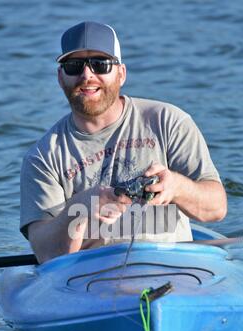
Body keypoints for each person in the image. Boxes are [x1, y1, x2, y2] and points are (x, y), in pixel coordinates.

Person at [20, 21, 227, 263]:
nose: (87, 76)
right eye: (74, 66)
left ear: (121, 73)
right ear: (60, 77)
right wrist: (82, 207)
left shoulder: (169, 122)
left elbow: (217, 208)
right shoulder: (43, 157)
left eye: (100, 64)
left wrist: (176, 187)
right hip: (89, 279)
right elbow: (45, 253)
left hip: (176, 270)